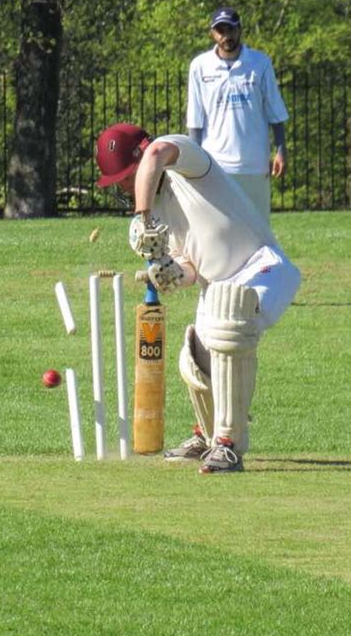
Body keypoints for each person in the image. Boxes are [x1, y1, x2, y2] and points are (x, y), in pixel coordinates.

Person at [95, 122, 301, 474]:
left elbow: (157, 154)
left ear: (140, 158)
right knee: (192, 358)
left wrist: (141, 217)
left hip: (262, 267)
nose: (126, 187)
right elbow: (190, 265)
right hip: (215, 286)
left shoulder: (184, 161)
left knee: (228, 319)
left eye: (127, 177)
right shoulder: (157, 212)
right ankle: (207, 435)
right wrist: (172, 272)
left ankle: (229, 445)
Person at [186, 6, 288, 222]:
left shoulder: (260, 63)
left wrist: (280, 150)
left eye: (230, 29)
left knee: (258, 228)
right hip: (215, 163)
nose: (226, 36)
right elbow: (195, 120)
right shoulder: (199, 66)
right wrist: (195, 162)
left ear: (239, 29)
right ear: (212, 34)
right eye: (220, 31)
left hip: (254, 163)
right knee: (219, 229)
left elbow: (275, 111)